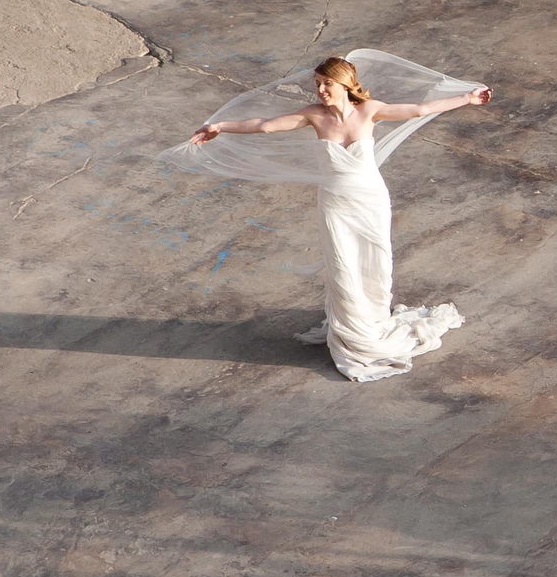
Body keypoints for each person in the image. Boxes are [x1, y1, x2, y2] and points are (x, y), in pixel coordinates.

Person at [164, 51, 492, 382]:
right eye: (318, 84)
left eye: (327, 83)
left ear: (345, 84)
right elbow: (265, 127)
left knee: (376, 261)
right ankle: (351, 334)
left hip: (371, 201)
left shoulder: (370, 111)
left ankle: (374, 321)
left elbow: (420, 109)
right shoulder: (314, 116)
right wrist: (220, 126)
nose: (320, 90)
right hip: (336, 205)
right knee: (343, 265)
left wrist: (467, 98)